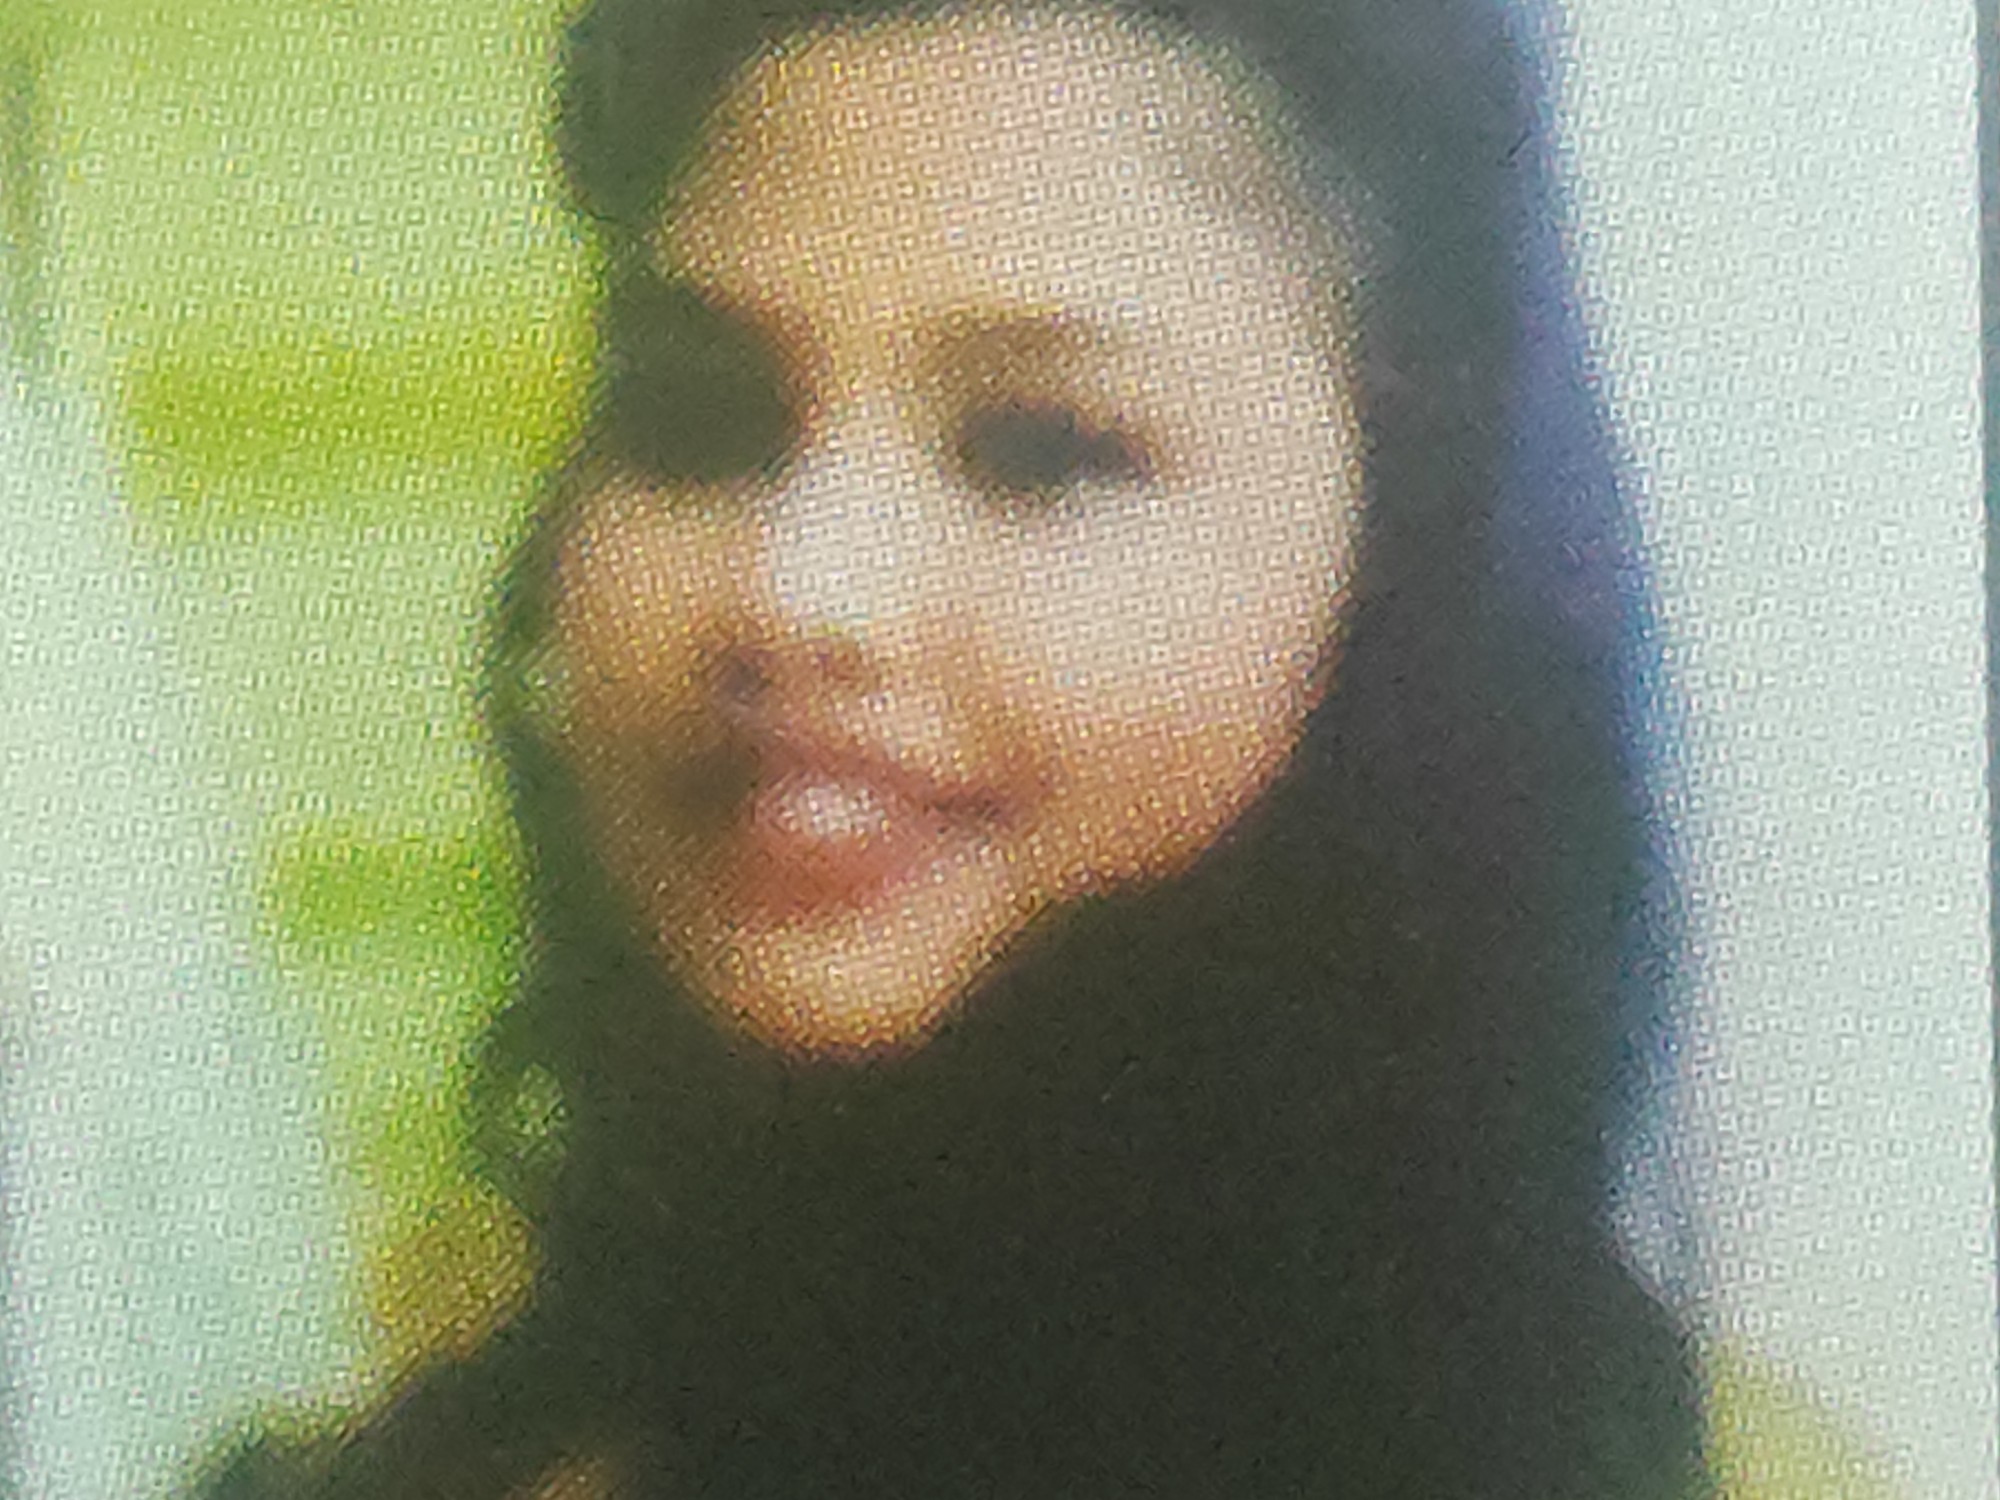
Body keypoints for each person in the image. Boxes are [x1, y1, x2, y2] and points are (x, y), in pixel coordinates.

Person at [196, 0, 1711, 1494]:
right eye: (697, 412)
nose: (799, 588)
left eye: (1042, 445)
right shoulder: (469, 1407)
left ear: (1398, 559)